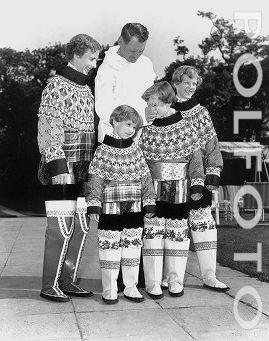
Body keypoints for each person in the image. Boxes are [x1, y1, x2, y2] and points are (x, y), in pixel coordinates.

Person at [37, 34, 101, 302]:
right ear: (76, 55)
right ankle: (49, 284)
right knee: (60, 227)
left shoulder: (86, 90)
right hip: (63, 166)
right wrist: (58, 165)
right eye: (91, 58)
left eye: (96, 59)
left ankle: (68, 280)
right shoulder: (55, 85)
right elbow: (48, 128)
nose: (94, 64)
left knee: (82, 227)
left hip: (85, 167)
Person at [161, 65, 229, 292]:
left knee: (203, 224)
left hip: (200, 180)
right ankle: (171, 279)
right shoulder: (166, 109)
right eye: (186, 82)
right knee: (174, 228)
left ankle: (209, 276)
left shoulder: (201, 113)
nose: (191, 87)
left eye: (194, 83)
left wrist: (213, 174)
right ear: (175, 83)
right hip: (173, 179)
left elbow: (212, 146)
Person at [139, 81, 205, 299]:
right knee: (152, 237)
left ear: (168, 102)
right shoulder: (146, 132)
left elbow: (196, 161)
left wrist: (197, 184)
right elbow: (142, 165)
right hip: (153, 192)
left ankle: (175, 281)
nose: (151, 109)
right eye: (149, 105)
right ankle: (153, 283)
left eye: (155, 104)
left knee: (178, 236)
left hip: (180, 190)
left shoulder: (187, 127)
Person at [85, 105, 156, 304]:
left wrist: (149, 201)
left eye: (134, 127)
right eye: (127, 124)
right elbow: (96, 179)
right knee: (109, 248)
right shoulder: (102, 151)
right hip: (110, 208)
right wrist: (93, 204)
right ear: (114, 121)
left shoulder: (136, 150)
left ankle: (131, 287)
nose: (131, 130)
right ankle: (109, 288)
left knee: (132, 248)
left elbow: (145, 177)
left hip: (134, 206)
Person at [94, 22, 156, 143]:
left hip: (144, 137)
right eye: (132, 51)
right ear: (120, 41)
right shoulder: (107, 68)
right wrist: (138, 120)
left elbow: (151, 97)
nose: (136, 56)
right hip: (114, 138)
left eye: (141, 51)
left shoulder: (146, 64)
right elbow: (103, 109)